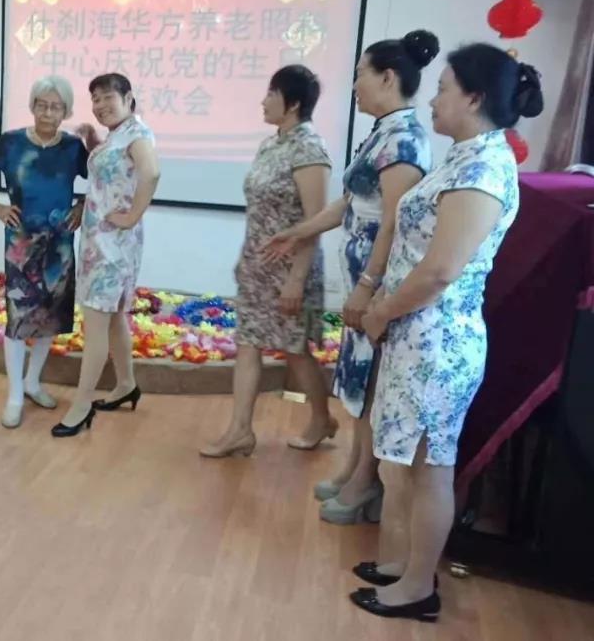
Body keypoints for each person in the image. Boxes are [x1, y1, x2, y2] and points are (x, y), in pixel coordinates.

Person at [351, 45, 543, 622]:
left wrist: (381, 312)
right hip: (416, 335)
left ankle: (418, 587)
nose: (432, 100)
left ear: (475, 98)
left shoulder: (484, 170)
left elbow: (440, 270)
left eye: (443, 89)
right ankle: (401, 564)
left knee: (430, 466)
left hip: (439, 343)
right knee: (407, 463)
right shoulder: (465, 157)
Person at [266, 31, 438, 523]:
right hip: (362, 277)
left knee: (371, 383)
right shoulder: (384, 132)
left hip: (377, 284)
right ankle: (354, 471)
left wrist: (367, 288)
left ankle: (366, 480)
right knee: (360, 381)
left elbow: (392, 221)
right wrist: (298, 231)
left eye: (361, 73)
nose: (354, 83)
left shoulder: (403, 141)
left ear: (387, 78)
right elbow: (349, 203)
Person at [200, 65, 333, 458]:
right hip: (257, 269)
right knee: (248, 343)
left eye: (271, 94)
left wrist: (296, 279)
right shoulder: (270, 145)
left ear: (292, 103)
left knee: (295, 350)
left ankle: (321, 418)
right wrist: (246, 261)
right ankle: (240, 430)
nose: (263, 101)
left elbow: (314, 222)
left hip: (290, 270)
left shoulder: (310, 149)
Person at [0, 76, 88, 428]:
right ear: (32, 106)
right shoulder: (12, 143)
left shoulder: (74, 147)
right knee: (19, 319)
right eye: (42, 105)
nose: (48, 113)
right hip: (21, 245)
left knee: (49, 317)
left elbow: (105, 178)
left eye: (56, 107)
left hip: (59, 245)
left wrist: (82, 206)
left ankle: (33, 382)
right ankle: (15, 394)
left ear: (66, 111)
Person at [54, 72, 160, 438]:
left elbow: (151, 173)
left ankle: (82, 405)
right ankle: (126, 384)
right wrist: (92, 141)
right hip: (103, 243)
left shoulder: (138, 134)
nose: (100, 105)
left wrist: (132, 216)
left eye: (107, 97)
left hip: (112, 247)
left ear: (128, 98)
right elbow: (116, 175)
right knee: (114, 318)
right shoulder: (119, 134)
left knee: (96, 323)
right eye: (95, 99)